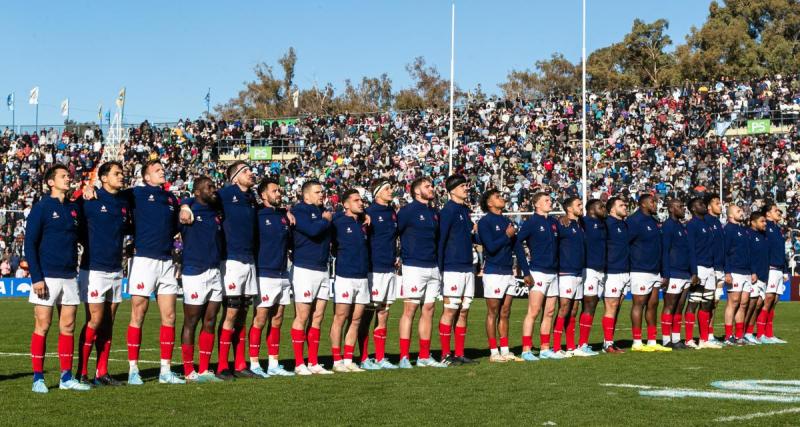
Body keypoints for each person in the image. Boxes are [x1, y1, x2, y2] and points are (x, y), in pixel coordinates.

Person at [27, 164, 90, 393]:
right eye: (63, 176)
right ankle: (38, 379)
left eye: (68, 175)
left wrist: (89, 192)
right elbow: (29, 244)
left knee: (68, 326)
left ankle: (66, 377)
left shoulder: (74, 208)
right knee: (43, 325)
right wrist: (37, 277)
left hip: (69, 275)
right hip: (46, 276)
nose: (68, 178)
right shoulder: (42, 207)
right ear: (51, 182)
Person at [122, 160, 184, 385]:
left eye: (162, 169)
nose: (162, 171)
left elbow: (179, 222)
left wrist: (184, 205)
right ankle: (133, 369)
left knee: (169, 316)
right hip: (144, 261)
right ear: (146, 177)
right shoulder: (136, 193)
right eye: (157, 170)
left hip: (167, 262)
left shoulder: (171, 199)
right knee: (139, 313)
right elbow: (113, 196)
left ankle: (165, 370)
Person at [75, 161, 129, 386]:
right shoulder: (90, 200)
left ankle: (102, 372)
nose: (121, 176)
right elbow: (70, 206)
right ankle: (82, 372)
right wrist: (82, 189)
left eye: (122, 173)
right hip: (94, 268)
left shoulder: (125, 201)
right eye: (116, 173)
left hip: (116, 269)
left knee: (109, 321)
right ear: (103, 178)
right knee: (94, 320)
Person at [397, 177, 447, 368]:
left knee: (429, 310)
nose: (431, 188)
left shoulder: (434, 212)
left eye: (431, 186)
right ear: (416, 191)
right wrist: (398, 256)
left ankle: (424, 356)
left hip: (432, 266)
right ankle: (403, 357)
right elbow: (396, 233)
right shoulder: (407, 211)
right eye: (427, 186)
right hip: (414, 266)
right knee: (409, 310)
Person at [178, 176, 224, 383]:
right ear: (197, 192)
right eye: (209, 187)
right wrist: (185, 204)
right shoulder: (188, 211)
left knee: (211, 320)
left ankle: (204, 369)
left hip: (215, 271)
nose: (213, 189)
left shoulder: (216, 210)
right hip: (194, 271)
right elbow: (179, 202)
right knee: (191, 321)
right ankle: (189, 371)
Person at [249, 178, 295, 377]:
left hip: (282, 273)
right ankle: (253, 363)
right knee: (260, 318)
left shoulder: (284, 216)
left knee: (277, 319)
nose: (279, 193)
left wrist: (288, 213)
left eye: (280, 190)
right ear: (263, 195)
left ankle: (273, 363)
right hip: (264, 273)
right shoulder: (256, 215)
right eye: (275, 191)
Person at [477, 189, 528, 362]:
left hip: (508, 272)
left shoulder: (507, 220)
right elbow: (490, 247)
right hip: (493, 272)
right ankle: (493, 352)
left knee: (505, 312)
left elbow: (518, 248)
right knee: (493, 312)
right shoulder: (485, 222)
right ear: (490, 203)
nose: (502, 198)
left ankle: (505, 350)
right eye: (497, 197)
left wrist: (526, 272)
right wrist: (506, 235)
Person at [290, 180, 334, 375]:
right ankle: (300, 363)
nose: (321, 194)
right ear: (306, 195)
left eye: (322, 191)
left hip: (322, 269)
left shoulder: (322, 211)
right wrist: (325, 221)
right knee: (303, 315)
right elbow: (313, 230)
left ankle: (313, 362)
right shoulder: (300, 211)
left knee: (318, 317)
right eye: (317, 192)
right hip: (304, 269)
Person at [437, 175, 478, 365]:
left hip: (467, 266)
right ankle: (445, 354)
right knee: (450, 310)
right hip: (452, 267)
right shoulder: (448, 211)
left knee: (464, 310)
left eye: (466, 185)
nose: (466, 188)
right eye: (463, 186)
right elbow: (441, 240)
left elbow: (472, 236)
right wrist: (440, 268)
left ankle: (459, 353)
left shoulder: (464, 210)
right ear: (452, 190)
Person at [360, 179, 399, 370]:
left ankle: (381, 357)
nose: (391, 191)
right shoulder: (369, 213)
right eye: (387, 188)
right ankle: (364, 357)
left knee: (383, 312)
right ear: (377, 193)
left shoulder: (392, 213)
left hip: (389, 268)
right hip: (373, 269)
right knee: (366, 314)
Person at [330, 189, 371, 373]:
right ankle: (336, 360)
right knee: (340, 317)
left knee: (356, 320)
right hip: (344, 276)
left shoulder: (363, 222)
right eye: (356, 200)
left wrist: (365, 215)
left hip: (362, 278)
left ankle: (348, 359)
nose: (360, 203)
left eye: (361, 200)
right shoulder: (338, 221)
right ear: (346, 204)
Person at [518, 192, 562, 360]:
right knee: (534, 311)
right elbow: (517, 242)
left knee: (550, 311)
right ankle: (526, 349)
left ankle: (544, 348)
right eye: (546, 200)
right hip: (538, 271)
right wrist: (525, 270)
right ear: (537, 204)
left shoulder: (554, 222)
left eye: (550, 200)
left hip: (553, 272)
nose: (550, 202)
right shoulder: (531, 223)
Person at [627, 194, 670, 352]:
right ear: (643, 204)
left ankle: (652, 340)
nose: (655, 205)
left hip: (655, 271)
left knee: (653, 304)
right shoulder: (634, 221)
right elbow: (627, 244)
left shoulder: (654, 221)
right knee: (639, 304)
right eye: (652, 202)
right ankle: (637, 342)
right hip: (640, 270)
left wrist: (663, 272)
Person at [554, 197, 596, 357]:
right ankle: (557, 347)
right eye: (578, 205)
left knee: (574, 310)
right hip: (566, 272)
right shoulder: (561, 223)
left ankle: (571, 347)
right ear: (569, 208)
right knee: (564, 308)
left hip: (579, 272)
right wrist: (560, 218)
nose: (581, 207)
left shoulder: (581, 225)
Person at [684, 198, 722, 349]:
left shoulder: (708, 224)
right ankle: (688, 339)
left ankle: (704, 339)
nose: (703, 206)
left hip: (710, 268)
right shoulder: (692, 225)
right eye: (700, 204)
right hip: (698, 268)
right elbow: (691, 250)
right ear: (693, 209)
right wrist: (693, 271)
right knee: (693, 302)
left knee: (707, 303)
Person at [660, 199, 695, 351]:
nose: (683, 209)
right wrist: (666, 274)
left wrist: (693, 272)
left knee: (680, 306)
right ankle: (666, 340)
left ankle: (676, 338)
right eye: (680, 207)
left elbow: (689, 251)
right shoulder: (668, 226)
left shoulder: (682, 226)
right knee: (670, 305)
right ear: (671, 209)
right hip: (673, 272)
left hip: (685, 273)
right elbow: (665, 251)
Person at [575, 199, 606, 355]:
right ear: (591, 209)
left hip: (602, 270)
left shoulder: (604, 223)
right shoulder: (584, 222)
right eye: (600, 206)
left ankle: (583, 343)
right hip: (588, 269)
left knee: (592, 306)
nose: (604, 208)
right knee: (588, 304)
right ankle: (580, 345)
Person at [601, 197, 630, 353]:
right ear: (612, 209)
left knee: (617, 307)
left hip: (625, 271)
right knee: (611, 306)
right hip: (612, 271)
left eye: (625, 204)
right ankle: (607, 345)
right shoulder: (606, 224)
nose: (625, 207)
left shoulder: (625, 224)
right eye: (621, 205)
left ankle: (609, 340)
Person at [722, 204, 751, 345]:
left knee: (744, 303)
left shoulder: (744, 230)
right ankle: (728, 336)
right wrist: (727, 271)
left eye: (741, 210)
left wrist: (752, 271)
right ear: (730, 215)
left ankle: (739, 335)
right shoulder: (728, 230)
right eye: (738, 211)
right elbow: (725, 252)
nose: (742, 212)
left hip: (746, 272)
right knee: (733, 302)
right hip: (734, 271)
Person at [760, 202, 788, 344]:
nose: (779, 212)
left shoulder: (777, 229)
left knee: (774, 301)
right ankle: (760, 334)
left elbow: (781, 252)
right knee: (768, 299)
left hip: (779, 269)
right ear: (768, 214)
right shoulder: (766, 228)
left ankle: (769, 334)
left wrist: (785, 270)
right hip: (770, 268)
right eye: (776, 210)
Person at [744, 211, 769, 345]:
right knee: (751, 304)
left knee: (758, 304)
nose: (765, 224)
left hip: (763, 276)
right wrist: (753, 272)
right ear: (753, 222)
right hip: (754, 275)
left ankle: (748, 332)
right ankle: (741, 333)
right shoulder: (749, 235)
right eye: (762, 221)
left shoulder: (763, 236)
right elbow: (749, 255)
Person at [704, 194, 725, 344]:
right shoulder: (705, 221)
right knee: (706, 302)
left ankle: (710, 334)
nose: (721, 205)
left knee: (715, 301)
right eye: (717, 203)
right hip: (709, 267)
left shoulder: (718, 223)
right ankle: (705, 335)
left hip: (719, 267)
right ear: (709, 207)